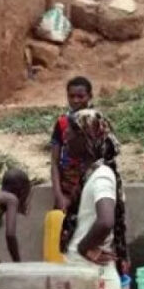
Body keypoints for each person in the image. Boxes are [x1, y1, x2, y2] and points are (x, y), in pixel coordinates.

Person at [60, 109, 128, 289]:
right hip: (85, 277)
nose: (66, 136)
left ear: (86, 136)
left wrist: (83, 248)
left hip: (93, 279)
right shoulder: (92, 172)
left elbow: (105, 220)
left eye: (71, 131)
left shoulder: (101, 177)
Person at [50, 76, 94, 211]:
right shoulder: (62, 123)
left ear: (90, 96)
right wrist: (58, 195)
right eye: (71, 96)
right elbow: (54, 162)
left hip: (91, 186)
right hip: (67, 188)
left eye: (81, 96)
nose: (76, 100)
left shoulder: (96, 123)